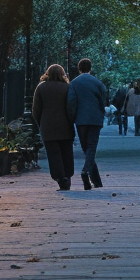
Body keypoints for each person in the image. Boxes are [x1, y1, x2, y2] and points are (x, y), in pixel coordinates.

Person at [66, 57, 107, 190]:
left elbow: (71, 102)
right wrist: (101, 113)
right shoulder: (97, 83)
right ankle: (87, 172)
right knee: (91, 147)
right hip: (95, 119)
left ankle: (94, 180)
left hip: (81, 120)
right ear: (90, 68)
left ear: (79, 69)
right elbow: (104, 99)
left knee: (87, 148)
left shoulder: (74, 83)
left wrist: (72, 118)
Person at [32, 65, 75, 190]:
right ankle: (67, 176)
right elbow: (71, 107)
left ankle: (60, 178)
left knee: (53, 154)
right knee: (67, 152)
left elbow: (36, 110)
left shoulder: (41, 88)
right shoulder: (67, 88)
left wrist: (41, 123)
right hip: (66, 126)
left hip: (48, 127)